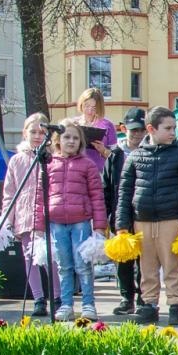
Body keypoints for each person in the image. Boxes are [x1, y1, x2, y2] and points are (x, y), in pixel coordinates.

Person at [118, 106, 178, 326]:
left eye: (174, 128)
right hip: (141, 221)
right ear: (151, 129)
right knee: (147, 268)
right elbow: (125, 193)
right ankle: (149, 305)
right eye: (168, 128)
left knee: (172, 266)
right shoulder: (135, 157)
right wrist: (122, 225)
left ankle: (175, 306)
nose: (173, 132)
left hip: (170, 220)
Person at [32, 122, 106, 322]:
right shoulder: (48, 165)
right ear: (57, 140)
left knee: (82, 265)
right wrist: (39, 227)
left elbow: (97, 196)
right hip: (56, 222)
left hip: (80, 221)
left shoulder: (87, 165)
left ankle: (88, 304)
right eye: (67, 137)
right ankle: (66, 305)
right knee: (63, 266)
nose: (71, 141)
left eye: (75, 138)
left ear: (80, 141)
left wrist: (99, 226)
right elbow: (40, 197)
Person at [1, 113, 53, 312]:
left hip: (47, 215)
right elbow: (9, 193)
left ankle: (56, 296)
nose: (38, 136)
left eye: (42, 132)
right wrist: (8, 220)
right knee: (30, 259)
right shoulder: (17, 160)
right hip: (25, 215)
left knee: (51, 259)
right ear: (25, 133)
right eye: (33, 132)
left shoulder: (51, 158)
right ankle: (39, 298)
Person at [106, 109, 147, 315]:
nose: (137, 134)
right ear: (124, 129)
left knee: (143, 259)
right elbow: (107, 186)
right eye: (133, 130)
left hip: (143, 213)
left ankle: (142, 296)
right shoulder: (116, 155)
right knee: (123, 258)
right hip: (121, 212)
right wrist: (107, 215)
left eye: (141, 129)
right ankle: (126, 297)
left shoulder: (151, 150)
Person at [73, 86, 118, 178]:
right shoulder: (74, 124)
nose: (89, 111)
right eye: (86, 106)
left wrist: (103, 150)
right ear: (81, 104)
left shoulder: (108, 125)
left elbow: (116, 156)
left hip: (98, 172)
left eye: (94, 108)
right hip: (76, 171)